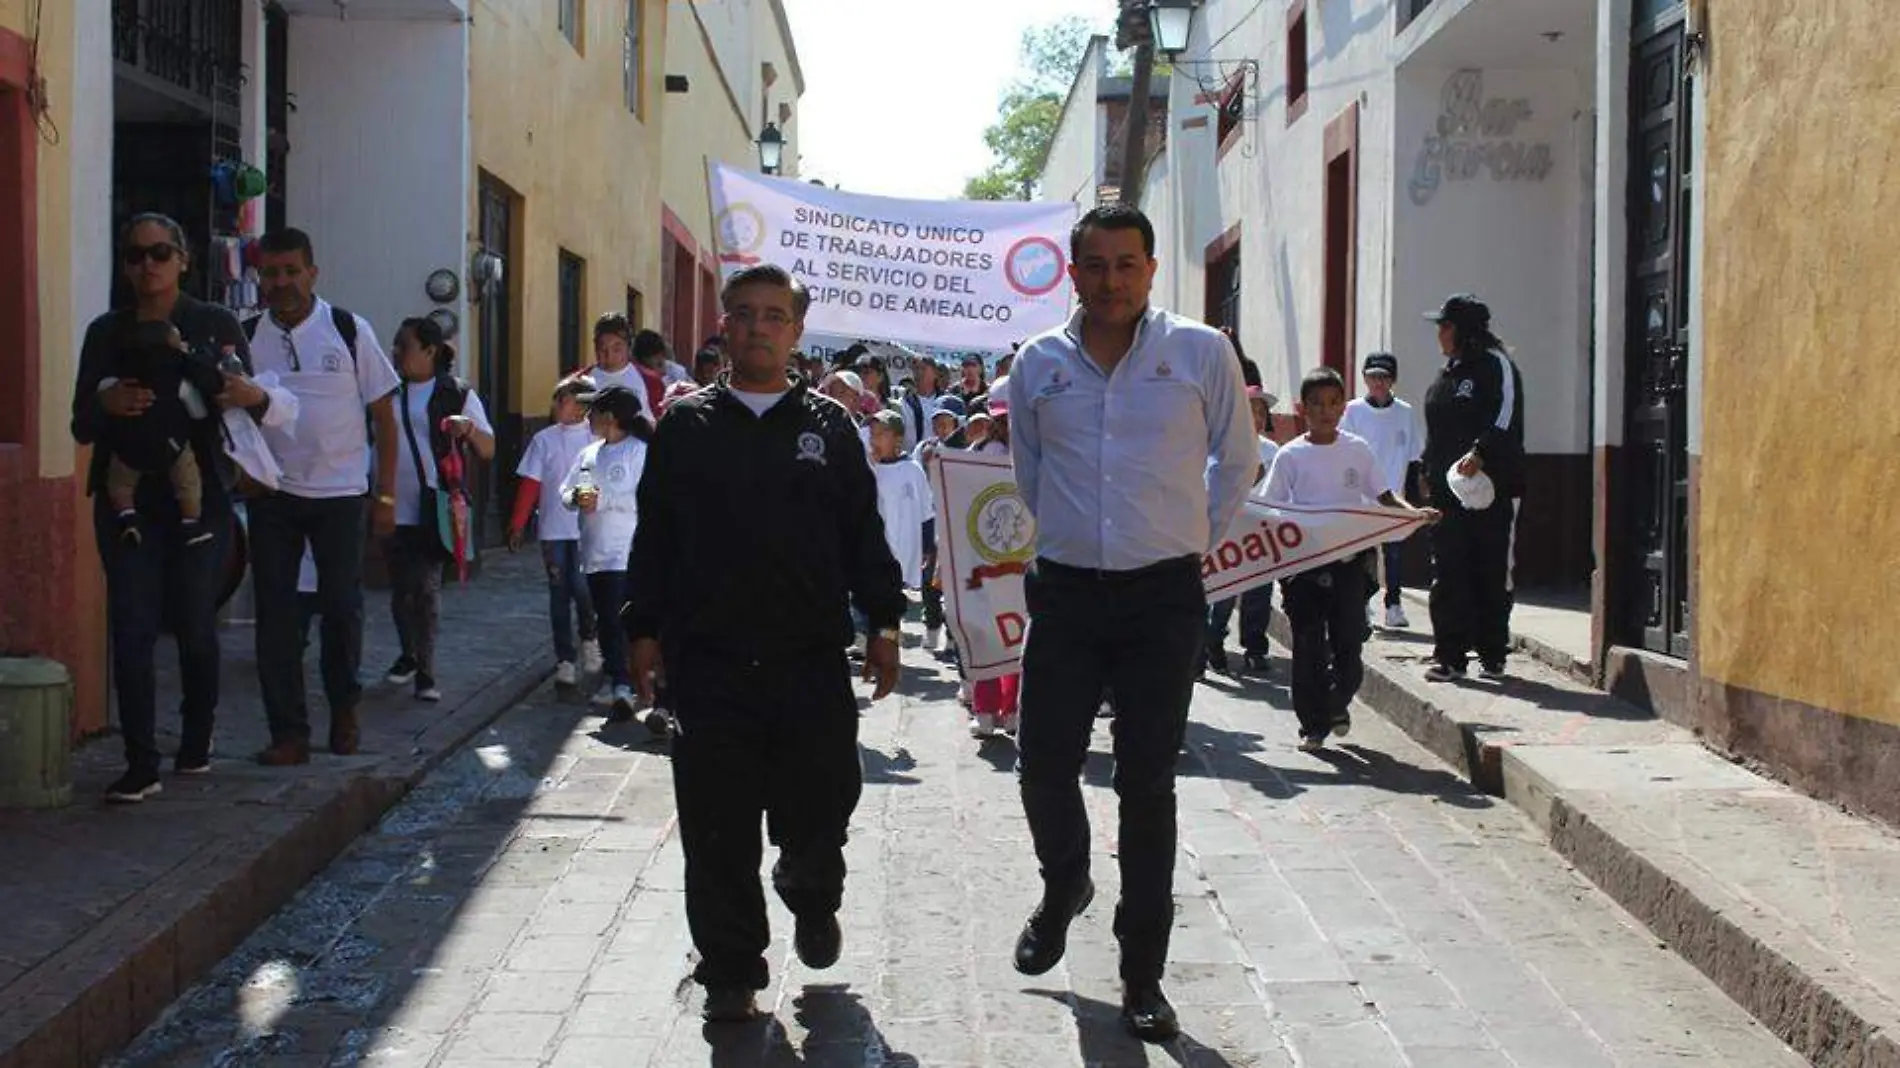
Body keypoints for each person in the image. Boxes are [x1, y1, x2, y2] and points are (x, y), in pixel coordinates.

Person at [624, 263, 904, 1023]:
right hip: (708, 663)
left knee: (821, 807)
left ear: (796, 332)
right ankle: (729, 969)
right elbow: (656, 535)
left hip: (808, 661)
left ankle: (811, 895)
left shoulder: (828, 427)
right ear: (724, 323)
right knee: (716, 827)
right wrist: (642, 627)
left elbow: (861, 536)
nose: (757, 327)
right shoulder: (685, 426)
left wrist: (883, 622)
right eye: (744, 313)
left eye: (774, 315)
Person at [1005, 204, 1257, 1042]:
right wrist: (1076, 538)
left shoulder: (1198, 352)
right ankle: (1064, 883)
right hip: (1069, 595)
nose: (1111, 280)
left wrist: (1191, 538)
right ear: (1071, 271)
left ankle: (1142, 972)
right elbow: (1030, 469)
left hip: (1162, 599)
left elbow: (1237, 457)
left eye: (1127, 264)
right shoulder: (1037, 362)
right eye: (1095, 265)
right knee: (1042, 763)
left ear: (1152, 269)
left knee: (1147, 787)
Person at [73, 213, 277, 802]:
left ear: (183, 259)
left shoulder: (212, 323)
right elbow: (80, 423)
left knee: (193, 624)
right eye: (136, 256)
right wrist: (106, 400)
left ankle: (197, 735)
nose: (148, 266)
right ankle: (140, 761)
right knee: (132, 627)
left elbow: (237, 396)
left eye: (160, 253)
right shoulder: (105, 332)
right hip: (125, 500)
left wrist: (190, 358)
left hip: (199, 499)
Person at [243, 227, 401, 765]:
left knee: (341, 611)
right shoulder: (246, 337)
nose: (282, 282)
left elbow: (384, 414)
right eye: (271, 273)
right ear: (259, 277)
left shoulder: (349, 331)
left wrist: (385, 497)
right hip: (272, 497)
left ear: (313, 272)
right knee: (277, 618)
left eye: (291, 271)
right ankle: (288, 732)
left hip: (340, 495)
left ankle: (344, 709)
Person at [1264, 368, 1437, 751]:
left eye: (1332, 403)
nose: (1326, 411)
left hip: (1350, 565)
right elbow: (1270, 508)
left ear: (1343, 406)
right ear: (1302, 408)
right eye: (1317, 404)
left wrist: (1413, 514)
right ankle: (1313, 725)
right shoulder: (1290, 456)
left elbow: (1384, 496)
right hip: (1304, 568)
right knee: (1308, 645)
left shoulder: (1357, 450)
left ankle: (1336, 702)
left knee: (1349, 644)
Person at [383, 316, 495, 702]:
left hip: (435, 503)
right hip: (391, 500)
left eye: (405, 345)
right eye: (396, 345)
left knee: (426, 587)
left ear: (430, 351)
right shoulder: (387, 390)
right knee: (400, 589)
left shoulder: (456, 393)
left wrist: (467, 429)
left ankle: (426, 672)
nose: (397, 352)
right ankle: (408, 653)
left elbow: (488, 448)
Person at [1421, 294, 1525, 682]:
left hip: (1490, 490)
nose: (1440, 334)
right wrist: (1426, 466)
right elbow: (1437, 429)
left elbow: (1505, 414)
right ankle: (1449, 654)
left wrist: (1481, 452)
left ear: (1463, 330)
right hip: (1449, 493)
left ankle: (1492, 649)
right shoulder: (1447, 375)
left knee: (1490, 569)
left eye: (1445, 327)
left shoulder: (1496, 366)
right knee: (1448, 569)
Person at [560, 385, 652, 724]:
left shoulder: (637, 452)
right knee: (605, 619)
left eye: (594, 411)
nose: (588, 417)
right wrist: (575, 499)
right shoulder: (589, 454)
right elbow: (566, 491)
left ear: (610, 416)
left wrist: (607, 501)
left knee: (616, 618)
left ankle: (623, 684)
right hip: (593, 552)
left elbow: (646, 499)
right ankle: (619, 679)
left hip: (624, 551)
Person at [510, 373, 604, 689]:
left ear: (581, 407)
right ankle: (565, 658)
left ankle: (590, 637)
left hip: (586, 531)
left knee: (582, 589)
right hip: (552, 530)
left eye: (562, 400)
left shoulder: (597, 441)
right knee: (558, 593)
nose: (556, 405)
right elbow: (531, 484)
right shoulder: (544, 440)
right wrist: (518, 523)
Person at [1342, 352, 1425, 631]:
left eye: (1384, 377)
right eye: (1373, 376)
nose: (1378, 382)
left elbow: (1415, 456)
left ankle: (1394, 605)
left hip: (1394, 497)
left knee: (1395, 554)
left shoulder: (1405, 412)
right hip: (1362, 497)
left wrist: (1417, 494)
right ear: (1365, 378)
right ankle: (1362, 604)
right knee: (1364, 554)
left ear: (1393, 380)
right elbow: (1343, 451)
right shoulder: (1353, 411)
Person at [1204, 383, 1280, 675]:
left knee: (1259, 593)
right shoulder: (1222, 446)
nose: (1257, 418)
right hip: (1229, 532)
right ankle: (1213, 642)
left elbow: (1276, 490)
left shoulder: (1272, 450)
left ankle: (1255, 647)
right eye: (1251, 411)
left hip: (1260, 532)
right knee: (1224, 593)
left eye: (1262, 412)